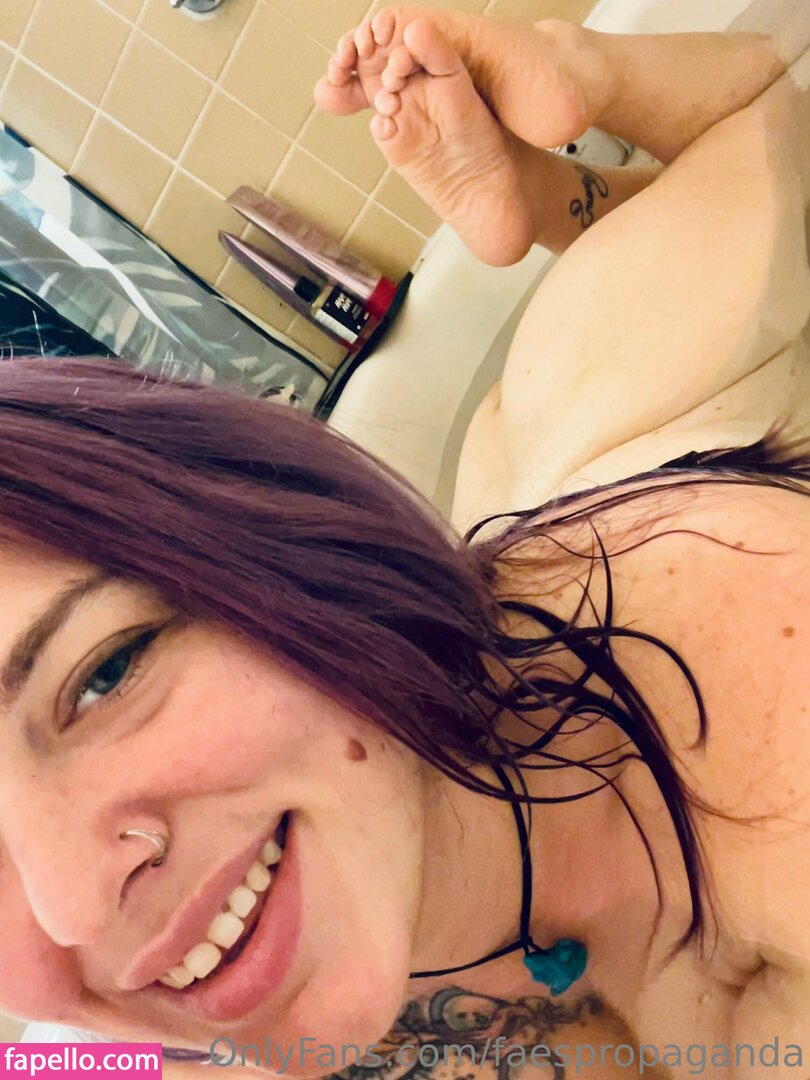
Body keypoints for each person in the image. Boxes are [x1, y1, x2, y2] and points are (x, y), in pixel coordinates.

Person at [0, 4, 809, 1080]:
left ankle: (555, 170)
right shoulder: (115, 1044)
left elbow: (763, 111)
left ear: (273, 538)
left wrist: (586, 70)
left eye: (103, 676)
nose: (70, 904)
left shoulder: (738, 631)